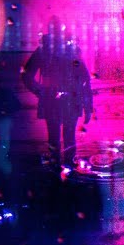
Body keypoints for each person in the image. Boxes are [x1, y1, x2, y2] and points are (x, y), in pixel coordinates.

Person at [22, 18, 94, 168]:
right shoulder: (66, 50)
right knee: (65, 138)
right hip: (65, 99)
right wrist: (87, 107)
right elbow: (84, 80)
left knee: (58, 138)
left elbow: (84, 79)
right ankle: (67, 168)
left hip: (55, 99)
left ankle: (59, 168)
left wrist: (40, 91)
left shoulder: (46, 50)